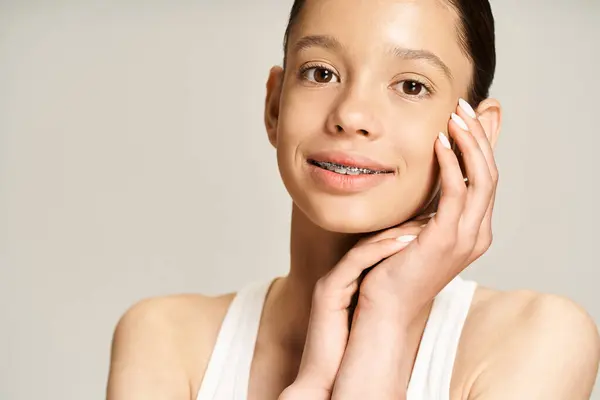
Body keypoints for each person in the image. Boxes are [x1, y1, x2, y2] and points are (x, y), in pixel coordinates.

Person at [106, 0, 600, 398]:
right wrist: (312, 385)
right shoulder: (166, 338)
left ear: (476, 131)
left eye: (411, 85)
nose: (352, 114)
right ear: (275, 105)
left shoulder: (536, 340)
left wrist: (383, 319)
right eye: (321, 73)